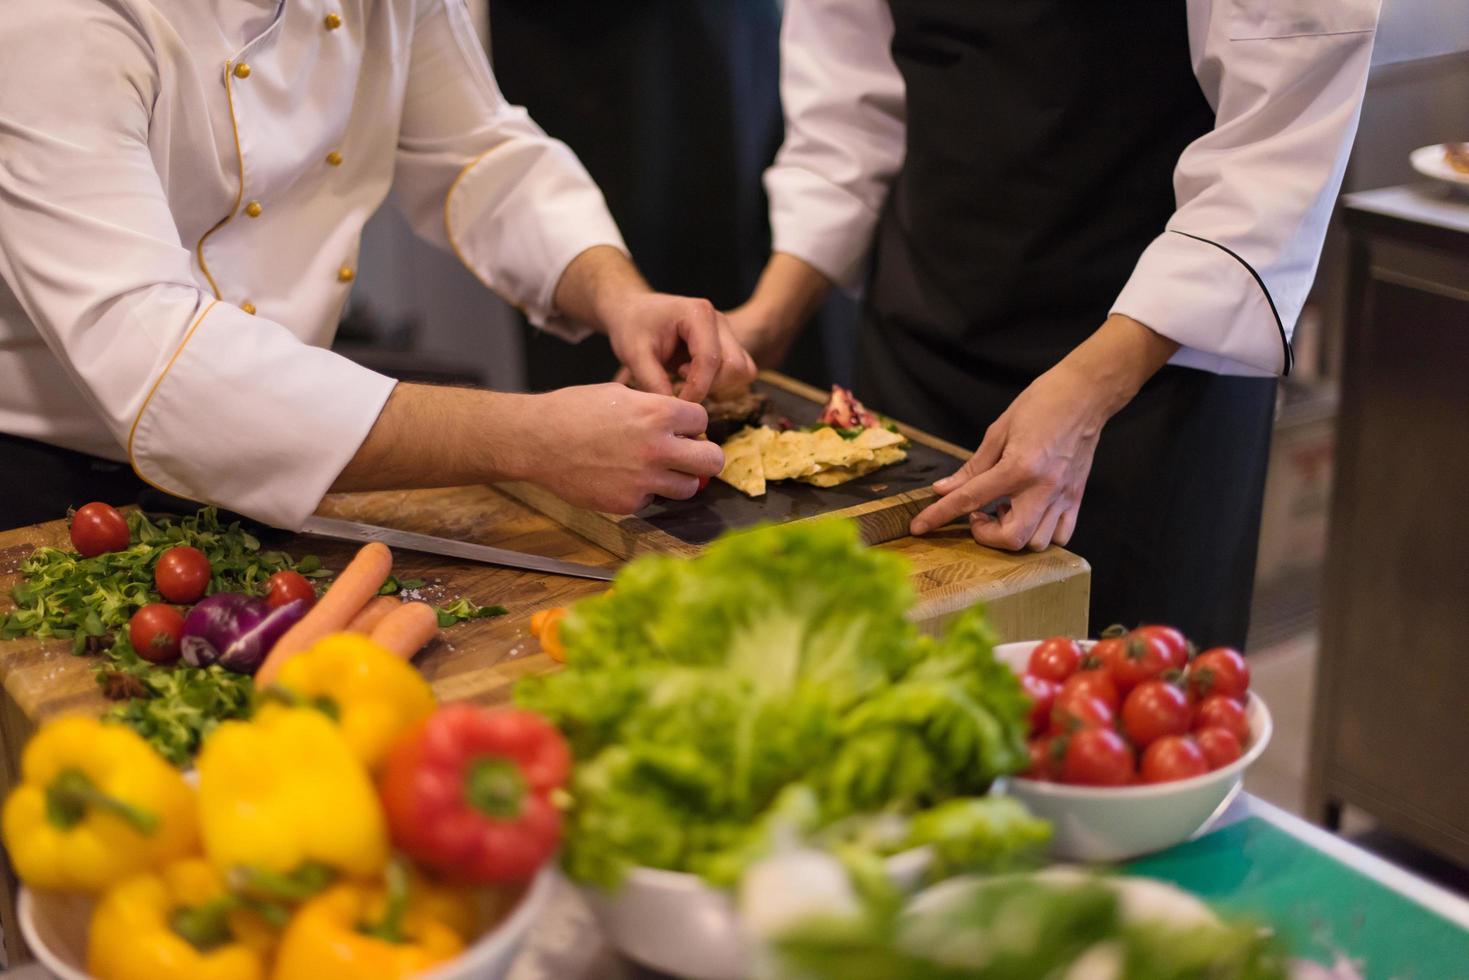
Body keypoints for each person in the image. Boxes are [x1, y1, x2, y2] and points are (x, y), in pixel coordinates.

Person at [729, 0, 1381, 646]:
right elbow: (848, 100)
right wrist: (768, 317)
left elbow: (1275, 136)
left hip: (1150, 369)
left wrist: (1094, 388)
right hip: (919, 344)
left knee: (1120, 720)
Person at [0, 0, 754, 531]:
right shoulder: (55, 21)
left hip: (290, 442)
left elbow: (482, 156)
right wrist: (529, 438)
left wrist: (619, 297)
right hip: (54, 481)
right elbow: (162, 360)